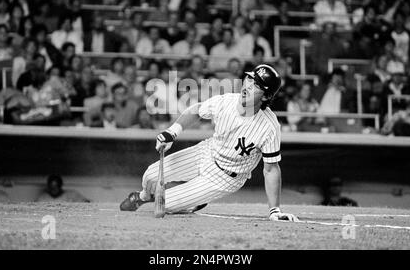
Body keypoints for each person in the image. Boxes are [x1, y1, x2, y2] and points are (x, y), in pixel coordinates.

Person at [120, 64, 299, 222]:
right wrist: (172, 132)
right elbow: (197, 110)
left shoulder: (269, 126)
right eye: (249, 79)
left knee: (167, 204)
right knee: (149, 175)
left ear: (266, 97)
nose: (248, 86)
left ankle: (193, 202)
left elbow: (271, 169)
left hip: (226, 177)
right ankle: (142, 196)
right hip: (206, 152)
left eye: (257, 85)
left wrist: (274, 210)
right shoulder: (227, 101)